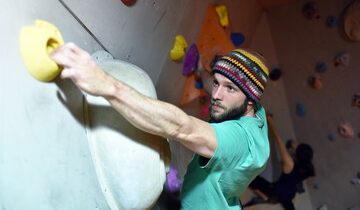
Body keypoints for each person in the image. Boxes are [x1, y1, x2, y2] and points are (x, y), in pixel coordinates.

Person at [51, 43, 270, 210]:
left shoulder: (240, 142)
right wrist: (204, 72)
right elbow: (224, 85)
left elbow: (182, 128)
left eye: (229, 89)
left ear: (250, 100)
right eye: (216, 83)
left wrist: (105, 84)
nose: (216, 96)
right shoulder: (252, 109)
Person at [243, 114, 316, 210]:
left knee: (248, 177)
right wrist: (296, 147)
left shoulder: (289, 164)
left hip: (276, 192)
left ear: (297, 155)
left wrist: (271, 121)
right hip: (290, 194)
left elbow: (278, 140)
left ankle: (265, 198)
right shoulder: (308, 167)